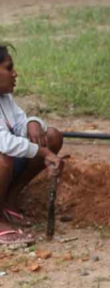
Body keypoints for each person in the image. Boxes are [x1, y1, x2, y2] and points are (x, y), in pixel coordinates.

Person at [0, 44, 64, 245]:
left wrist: (33, 123)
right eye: (9, 68)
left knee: (51, 136)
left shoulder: (5, 98)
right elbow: (5, 143)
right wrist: (43, 152)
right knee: (3, 158)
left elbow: (20, 123)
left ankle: (8, 203)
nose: (15, 74)